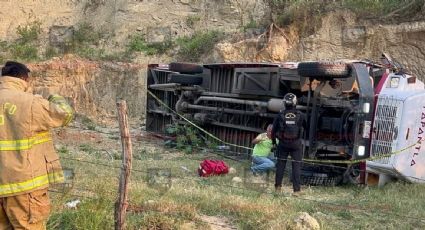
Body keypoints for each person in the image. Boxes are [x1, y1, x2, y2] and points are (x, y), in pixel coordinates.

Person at [0, 61, 73, 229]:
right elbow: (65, 114)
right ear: (24, 78)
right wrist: (54, 97)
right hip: (24, 188)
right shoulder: (31, 103)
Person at [271, 93, 306, 195]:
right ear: (295, 102)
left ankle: (277, 187)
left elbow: (273, 131)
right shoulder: (300, 115)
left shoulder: (280, 115)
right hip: (296, 144)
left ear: (284, 103)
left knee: (281, 165)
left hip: (283, 144)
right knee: (296, 166)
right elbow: (306, 127)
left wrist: (274, 143)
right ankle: (296, 190)